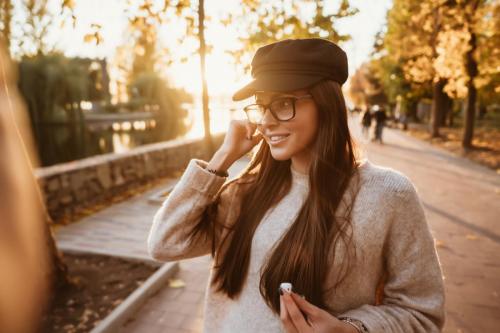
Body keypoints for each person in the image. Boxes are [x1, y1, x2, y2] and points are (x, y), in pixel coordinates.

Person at [147, 39, 445, 333]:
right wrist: (221, 159)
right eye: (262, 106)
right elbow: (164, 244)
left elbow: (421, 312)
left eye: (283, 104)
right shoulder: (246, 191)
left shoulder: (388, 195)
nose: (266, 121)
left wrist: (350, 330)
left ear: (326, 104)